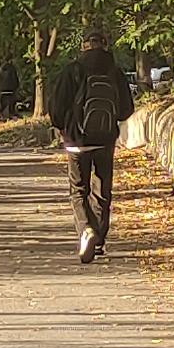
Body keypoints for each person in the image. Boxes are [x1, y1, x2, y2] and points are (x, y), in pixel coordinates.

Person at [47, 30, 135, 261]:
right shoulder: (115, 72)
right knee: (102, 190)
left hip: (77, 140)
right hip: (105, 140)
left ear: (84, 46)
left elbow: (56, 108)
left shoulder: (73, 70)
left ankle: (86, 230)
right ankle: (98, 240)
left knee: (78, 190)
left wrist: (62, 127)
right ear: (105, 46)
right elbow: (127, 109)